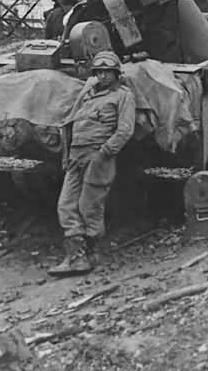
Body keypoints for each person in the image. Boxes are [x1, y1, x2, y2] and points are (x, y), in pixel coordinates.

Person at [49, 51, 136, 277]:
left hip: (98, 158)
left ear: (116, 74)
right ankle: (76, 257)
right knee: (65, 205)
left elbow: (125, 129)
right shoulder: (86, 96)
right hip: (76, 157)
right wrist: (67, 156)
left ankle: (92, 254)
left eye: (107, 72)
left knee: (90, 207)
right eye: (99, 72)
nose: (103, 76)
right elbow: (71, 124)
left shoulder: (123, 96)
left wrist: (104, 153)